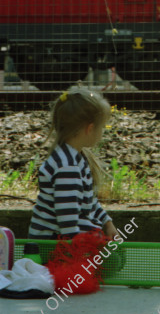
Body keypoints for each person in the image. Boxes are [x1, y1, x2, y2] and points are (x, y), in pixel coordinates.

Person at [28, 86, 118, 241]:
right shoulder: (67, 167)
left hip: (63, 240)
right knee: (111, 261)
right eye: (102, 127)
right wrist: (79, 248)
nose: (102, 132)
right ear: (90, 129)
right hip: (53, 245)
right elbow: (67, 219)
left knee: (112, 257)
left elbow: (87, 201)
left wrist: (107, 222)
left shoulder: (74, 158)